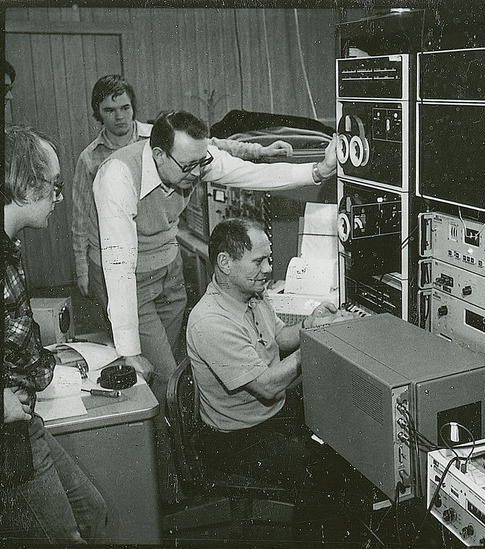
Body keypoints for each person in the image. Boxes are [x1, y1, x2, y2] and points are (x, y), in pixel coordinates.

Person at [93, 109, 337, 500]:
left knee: (184, 374)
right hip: (128, 280)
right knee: (157, 383)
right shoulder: (116, 176)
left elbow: (251, 174)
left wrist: (317, 172)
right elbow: (118, 267)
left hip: (166, 268)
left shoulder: (193, 157)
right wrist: (128, 353)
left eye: (201, 162)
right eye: (189, 165)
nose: (198, 172)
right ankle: (171, 492)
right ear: (158, 156)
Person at [72, 74, 294, 307]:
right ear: (98, 113)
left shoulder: (158, 134)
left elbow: (213, 146)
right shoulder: (91, 159)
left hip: (163, 260)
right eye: (109, 110)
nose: (119, 116)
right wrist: (82, 270)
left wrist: (260, 151)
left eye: (125, 107)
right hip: (118, 265)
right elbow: (80, 218)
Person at [186, 217, 352, 488]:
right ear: (225, 263)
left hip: (271, 412)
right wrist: (317, 341)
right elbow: (267, 387)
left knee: (346, 427)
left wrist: (310, 324)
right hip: (237, 438)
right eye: (258, 261)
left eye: (269, 259)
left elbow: (279, 337)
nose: (269, 268)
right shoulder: (210, 322)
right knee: (321, 477)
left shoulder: (252, 294)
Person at [2, 124, 108, 543]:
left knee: (94, 513)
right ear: (26, 185)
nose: (58, 199)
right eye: (54, 187)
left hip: (26, 422)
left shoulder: (11, 246)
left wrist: (51, 359)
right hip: (9, 436)